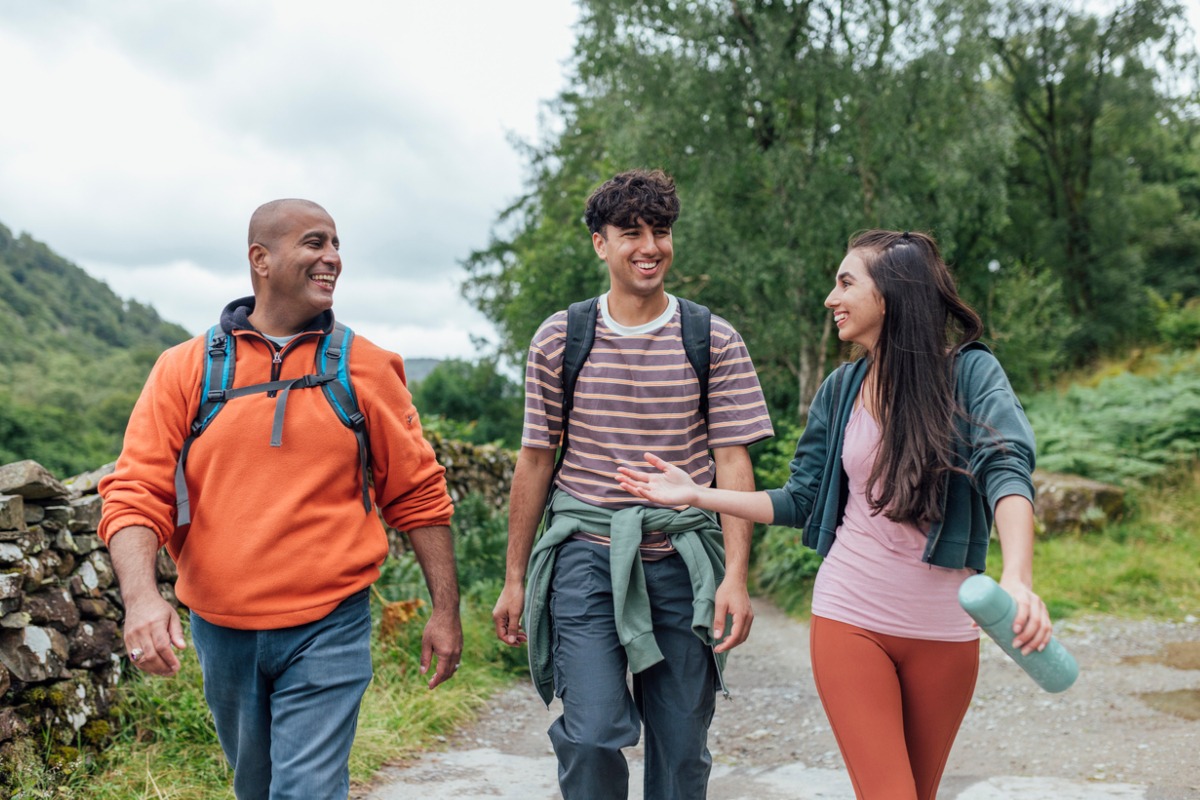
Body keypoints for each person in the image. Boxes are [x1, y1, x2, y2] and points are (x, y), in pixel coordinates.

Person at [618, 229, 1053, 800]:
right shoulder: (841, 389)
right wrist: (697, 494)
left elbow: (1006, 467)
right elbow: (800, 498)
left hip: (945, 630)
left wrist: (1018, 580)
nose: (831, 297)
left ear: (891, 296)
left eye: (846, 282)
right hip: (852, 616)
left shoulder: (969, 375)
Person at [98, 199, 462, 800]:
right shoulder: (184, 369)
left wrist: (445, 611)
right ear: (260, 260)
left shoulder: (366, 367)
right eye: (315, 243)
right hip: (221, 629)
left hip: (330, 624)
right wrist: (141, 598)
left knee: (307, 791)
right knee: (256, 788)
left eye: (337, 245)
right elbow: (137, 491)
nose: (333, 258)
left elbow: (418, 495)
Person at [491, 169, 774, 799]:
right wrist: (514, 578)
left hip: (682, 560)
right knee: (591, 736)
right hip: (585, 560)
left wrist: (734, 576)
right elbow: (535, 460)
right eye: (631, 232)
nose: (650, 246)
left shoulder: (714, 339)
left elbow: (732, 463)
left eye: (662, 231)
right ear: (600, 243)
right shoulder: (561, 338)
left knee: (680, 752)